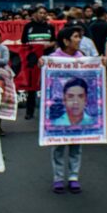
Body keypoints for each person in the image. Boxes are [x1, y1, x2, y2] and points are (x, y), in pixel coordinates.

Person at [42, 25, 86, 194]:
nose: (79, 40)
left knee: (76, 143)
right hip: (59, 108)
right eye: (76, 36)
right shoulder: (53, 58)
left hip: (76, 109)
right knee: (59, 145)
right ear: (66, 41)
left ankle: (74, 176)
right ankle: (58, 178)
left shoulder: (81, 57)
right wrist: (42, 64)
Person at [21, 4, 56, 120]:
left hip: (47, 59)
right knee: (32, 86)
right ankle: (29, 112)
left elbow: (54, 42)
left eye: (44, 13)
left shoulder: (50, 27)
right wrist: (35, 47)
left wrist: (47, 46)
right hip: (33, 60)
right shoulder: (28, 27)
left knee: (49, 85)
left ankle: (49, 110)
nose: (43, 15)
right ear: (35, 14)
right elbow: (24, 43)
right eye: (40, 13)